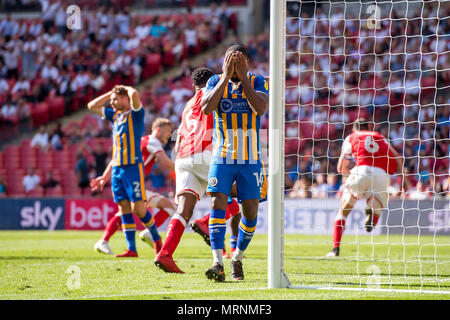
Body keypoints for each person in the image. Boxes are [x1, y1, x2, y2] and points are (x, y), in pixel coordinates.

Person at [154, 67, 242, 274]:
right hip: (205, 153)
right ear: (212, 81)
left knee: (183, 209)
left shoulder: (187, 104)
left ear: (194, 86)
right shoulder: (215, 92)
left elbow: (180, 135)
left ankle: (165, 254)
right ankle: (204, 223)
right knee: (243, 192)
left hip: (183, 157)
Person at [200, 45, 269, 281]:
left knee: (250, 213)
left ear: (247, 62)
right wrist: (227, 77)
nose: (235, 65)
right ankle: (217, 261)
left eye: (239, 61)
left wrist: (243, 80)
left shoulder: (259, 81)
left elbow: (260, 109)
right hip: (222, 155)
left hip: (250, 159)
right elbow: (207, 108)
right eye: (231, 60)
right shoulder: (214, 82)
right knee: (216, 201)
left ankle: (237, 258)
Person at [87, 84, 162, 258]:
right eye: (111, 100)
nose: (112, 103)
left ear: (125, 99)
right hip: (117, 169)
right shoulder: (115, 116)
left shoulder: (136, 114)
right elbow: (92, 106)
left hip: (132, 168)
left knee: (139, 209)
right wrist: (110, 93)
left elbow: (134, 93)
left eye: (115, 99)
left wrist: (123, 89)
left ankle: (157, 239)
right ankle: (132, 249)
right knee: (124, 207)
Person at [91, 118, 177, 256]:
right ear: (158, 130)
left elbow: (116, 159)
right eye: (168, 131)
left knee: (125, 211)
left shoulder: (140, 140)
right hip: (134, 183)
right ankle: (150, 234)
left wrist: (104, 178)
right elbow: (165, 162)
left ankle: (107, 241)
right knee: (168, 207)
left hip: (126, 180)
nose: (170, 134)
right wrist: (184, 169)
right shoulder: (152, 141)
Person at [326, 119, 404, 257]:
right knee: (377, 206)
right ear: (368, 127)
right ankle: (372, 217)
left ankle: (335, 249)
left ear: (354, 129)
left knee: (342, 212)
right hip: (381, 174)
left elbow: (340, 167)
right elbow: (397, 157)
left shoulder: (352, 137)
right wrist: (400, 177)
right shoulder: (380, 137)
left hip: (360, 170)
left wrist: (347, 174)